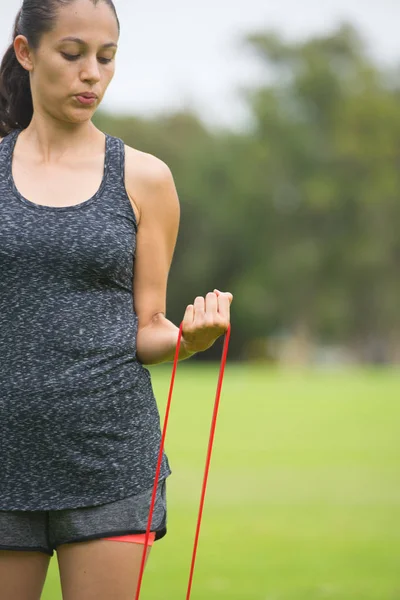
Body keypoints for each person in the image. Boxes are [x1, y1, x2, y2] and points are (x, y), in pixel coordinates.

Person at [0, 0, 233, 598]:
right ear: (26, 53)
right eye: (73, 55)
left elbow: (146, 327)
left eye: (107, 59)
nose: (92, 74)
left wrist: (187, 340)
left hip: (110, 461)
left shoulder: (145, 178)